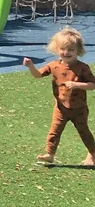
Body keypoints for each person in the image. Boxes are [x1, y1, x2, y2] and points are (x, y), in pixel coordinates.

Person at [23, 27, 95, 166]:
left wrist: (77, 85)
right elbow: (38, 75)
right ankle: (50, 154)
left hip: (79, 108)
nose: (66, 53)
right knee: (54, 130)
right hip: (61, 107)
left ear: (78, 51)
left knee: (84, 132)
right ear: (57, 49)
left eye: (71, 50)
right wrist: (31, 66)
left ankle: (92, 155)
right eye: (63, 49)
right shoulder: (54, 66)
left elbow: (93, 84)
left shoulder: (82, 68)